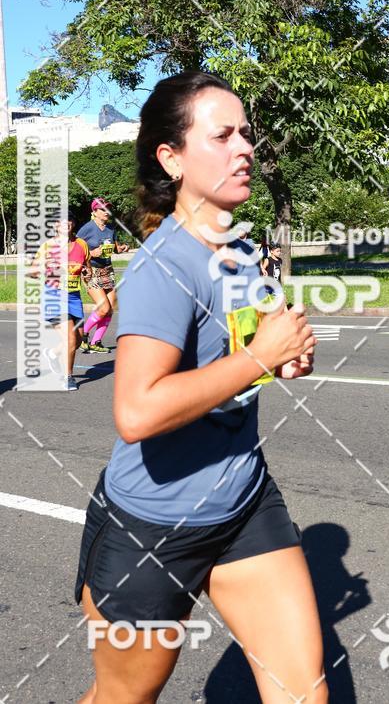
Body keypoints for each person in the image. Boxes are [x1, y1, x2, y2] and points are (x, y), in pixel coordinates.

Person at [75, 72, 325, 704]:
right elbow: (135, 411)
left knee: (304, 695)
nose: (244, 147)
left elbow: (251, 345)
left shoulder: (238, 246)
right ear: (172, 157)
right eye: (221, 135)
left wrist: (282, 355)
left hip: (243, 504)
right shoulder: (164, 265)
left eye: (246, 133)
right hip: (151, 528)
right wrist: (257, 360)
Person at [31, 211, 91, 391]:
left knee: (79, 338)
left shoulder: (81, 244)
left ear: (73, 224)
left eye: (69, 220)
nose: (66, 224)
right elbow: (33, 272)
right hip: (54, 296)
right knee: (70, 339)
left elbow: (86, 268)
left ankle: (52, 354)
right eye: (61, 221)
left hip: (73, 296)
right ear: (56, 226)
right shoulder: (47, 247)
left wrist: (87, 274)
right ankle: (68, 377)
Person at [77, 198, 130, 353]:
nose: (107, 212)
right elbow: (76, 250)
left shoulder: (110, 229)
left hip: (108, 271)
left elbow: (115, 249)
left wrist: (122, 248)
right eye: (103, 209)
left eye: (108, 208)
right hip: (91, 271)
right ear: (94, 212)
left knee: (111, 308)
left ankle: (96, 342)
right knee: (103, 308)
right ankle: (82, 335)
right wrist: (92, 253)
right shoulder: (87, 229)